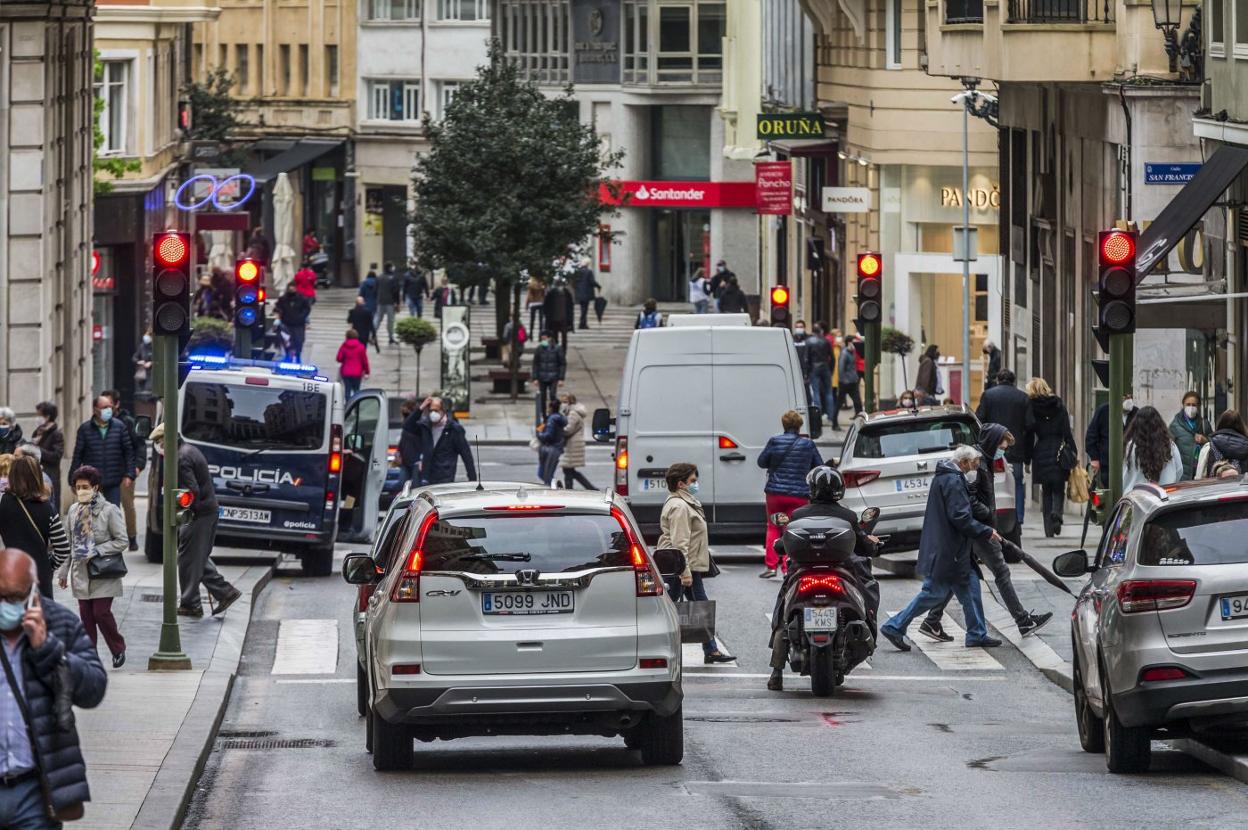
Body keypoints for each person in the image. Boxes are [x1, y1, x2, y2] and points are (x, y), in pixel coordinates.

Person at [0, 546, 107, 828]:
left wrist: (48, 648)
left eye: (13, 597)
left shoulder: (60, 623)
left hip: (35, 793)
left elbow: (93, 690)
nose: (4, 604)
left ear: (32, 591)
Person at [917, 425, 1053, 643]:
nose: (1004, 452)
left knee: (960, 576)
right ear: (992, 443)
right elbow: (966, 498)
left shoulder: (985, 461)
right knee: (1001, 571)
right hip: (979, 530)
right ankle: (1022, 620)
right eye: (1002, 447)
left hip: (977, 528)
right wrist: (987, 514)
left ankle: (932, 619)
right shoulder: (976, 465)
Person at [766, 467, 880, 691]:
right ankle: (869, 622)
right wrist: (873, 545)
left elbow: (783, 545)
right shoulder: (847, 516)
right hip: (840, 570)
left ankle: (776, 671)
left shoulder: (799, 515)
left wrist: (779, 545)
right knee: (867, 589)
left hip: (802, 570)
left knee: (782, 612)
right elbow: (864, 546)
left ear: (812, 488)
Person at [880, 446, 1002, 651]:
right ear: (963, 462)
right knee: (933, 593)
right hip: (950, 550)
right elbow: (960, 517)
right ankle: (895, 625)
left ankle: (976, 633)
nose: (974, 468)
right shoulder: (953, 480)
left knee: (970, 586)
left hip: (951, 549)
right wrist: (985, 530)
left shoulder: (947, 477)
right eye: (973, 464)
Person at [148, 424, 242, 618]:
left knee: (188, 558)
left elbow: (192, 491)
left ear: (167, 440)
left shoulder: (181, 457)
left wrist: (181, 505)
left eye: (159, 442)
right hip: (205, 511)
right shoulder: (188, 450)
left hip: (199, 514)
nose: (158, 447)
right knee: (194, 556)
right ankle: (223, 592)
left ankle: (193, 603)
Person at [657, 463, 734, 664]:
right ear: (681, 484)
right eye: (692, 481)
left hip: (688, 565)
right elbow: (679, 542)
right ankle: (657, 647)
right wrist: (685, 571)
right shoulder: (680, 507)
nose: (696, 484)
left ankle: (711, 649)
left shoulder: (686, 502)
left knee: (699, 604)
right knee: (669, 607)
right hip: (680, 566)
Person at [58, 466, 127, 668]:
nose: (81, 490)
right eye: (77, 487)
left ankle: (117, 648)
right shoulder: (73, 510)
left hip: (103, 571)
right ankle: (90, 657)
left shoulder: (109, 510)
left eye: (85, 486)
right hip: (80, 574)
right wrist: (63, 572)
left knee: (101, 613)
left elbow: (122, 541)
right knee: (86, 618)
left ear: (95, 487)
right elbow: (68, 544)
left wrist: (97, 550)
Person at [756, 410, 824, 579]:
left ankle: (771, 567)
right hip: (799, 494)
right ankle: (788, 565)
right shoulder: (808, 444)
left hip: (775, 493)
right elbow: (819, 466)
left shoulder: (774, 441)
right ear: (800, 425)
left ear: (784, 424)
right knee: (793, 528)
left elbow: (761, 462)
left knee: (773, 526)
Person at [0, 457, 69, 598]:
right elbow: (63, 548)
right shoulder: (47, 508)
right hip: (39, 574)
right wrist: (48, 566)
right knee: (39, 615)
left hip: (12, 571)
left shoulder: (3, 503)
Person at [975, 369, 1034, 527]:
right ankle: (1018, 517)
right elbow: (1030, 425)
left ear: (997, 380)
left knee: (993, 482)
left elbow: (980, 420)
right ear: (1014, 381)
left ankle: (994, 511)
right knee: (1017, 483)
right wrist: (1027, 454)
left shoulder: (988, 395)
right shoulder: (1023, 398)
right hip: (1016, 448)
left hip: (993, 447)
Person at [1025, 377, 1077, 538]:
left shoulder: (1031, 407)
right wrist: (1073, 453)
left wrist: (1027, 459)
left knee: (1046, 490)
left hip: (1040, 450)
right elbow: (1067, 432)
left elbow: (1028, 432)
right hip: (1058, 451)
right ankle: (1057, 514)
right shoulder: (1058, 404)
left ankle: (1048, 528)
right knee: (1058, 488)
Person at [68, 395, 136, 508]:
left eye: (110, 407)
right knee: (91, 515)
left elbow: (128, 452)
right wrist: (72, 479)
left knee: (113, 514)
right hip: (92, 482)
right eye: (105, 407)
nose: (109, 410)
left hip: (114, 481)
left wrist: (129, 474)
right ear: (95, 409)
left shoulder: (119, 427)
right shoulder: (85, 429)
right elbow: (78, 455)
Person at [102, 390, 144, 551]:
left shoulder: (128, 422)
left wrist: (137, 466)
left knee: (127, 504)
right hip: (106, 472)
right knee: (108, 507)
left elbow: (139, 445)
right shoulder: (100, 423)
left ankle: (131, 537)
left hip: (125, 471)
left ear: (117, 404)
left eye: (109, 405)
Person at [413, 397, 477, 485]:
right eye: (431, 411)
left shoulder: (454, 429)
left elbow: (467, 456)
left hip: (444, 479)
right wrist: (421, 408)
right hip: (426, 478)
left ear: (443, 411)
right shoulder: (425, 426)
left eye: (436, 410)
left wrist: (473, 481)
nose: (433, 413)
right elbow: (407, 427)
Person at [1122, 405, 1184, 491]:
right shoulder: (1169, 446)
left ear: (1136, 424)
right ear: (1159, 424)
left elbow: (1123, 476)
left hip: (1134, 498)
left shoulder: (1129, 447)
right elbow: (1179, 470)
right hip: (1165, 497)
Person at [1086, 392, 1139, 488]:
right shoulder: (1103, 411)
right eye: (1125, 396)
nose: (1128, 399)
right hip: (1107, 466)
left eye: (1130, 396)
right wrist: (1094, 458)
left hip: (1130, 467)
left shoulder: (1136, 413)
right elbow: (1091, 436)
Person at [1169, 391, 1212, 481]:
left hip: (1200, 474)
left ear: (1198, 406)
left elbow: (1214, 443)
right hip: (1182, 477)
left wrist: (1206, 440)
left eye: (1194, 405)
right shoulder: (1175, 425)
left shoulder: (1204, 424)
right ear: (1183, 405)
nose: (1191, 407)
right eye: (1188, 404)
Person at [1195, 409, 1248, 478]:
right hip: (1241, 488)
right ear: (1241, 426)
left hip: (1213, 487)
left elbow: (1199, 475)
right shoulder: (1246, 447)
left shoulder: (1209, 447)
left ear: (1220, 424)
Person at [30, 403, 64, 508]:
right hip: (37, 474)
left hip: (50, 475)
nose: (37, 418)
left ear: (47, 416)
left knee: (51, 506)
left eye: (39, 415)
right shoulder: (37, 432)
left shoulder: (56, 434)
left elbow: (56, 456)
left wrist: (38, 450)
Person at [559, 393, 594, 490]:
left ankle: (573, 489)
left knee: (567, 469)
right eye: (562, 402)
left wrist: (558, 430)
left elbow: (568, 430)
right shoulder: (570, 411)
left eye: (565, 402)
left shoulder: (572, 413)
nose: (563, 404)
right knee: (569, 470)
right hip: (573, 443)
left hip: (573, 444)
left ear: (570, 402)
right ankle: (587, 488)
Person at [531, 331, 566, 425]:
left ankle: (554, 413)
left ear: (550, 338)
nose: (543, 340)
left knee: (552, 395)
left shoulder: (557, 349)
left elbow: (562, 363)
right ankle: (544, 416)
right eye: (542, 339)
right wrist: (535, 378)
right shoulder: (539, 349)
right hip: (542, 377)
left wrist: (561, 378)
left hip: (554, 376)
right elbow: (535, 364)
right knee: (542, 397)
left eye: (544, 338)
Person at [274, 283, 312, 362]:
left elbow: (307, 309)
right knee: (286, 341)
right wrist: (279, 316)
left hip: (298, 324)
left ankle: (298, 356)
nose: (291, 290)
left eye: (293, 288)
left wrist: (301, 317)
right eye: (290, 288)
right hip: (286, 324)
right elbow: (277, 308)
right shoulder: (283, 299)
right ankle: (288, 355)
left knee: (299, 341)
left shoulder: (302, 299)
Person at [806, 322, 835, 421]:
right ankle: (831, 416)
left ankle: (818, 416)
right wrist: (831, 370)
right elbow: (832, 357)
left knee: (816, 392)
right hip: (825, 367)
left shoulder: (809, 341)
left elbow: (807, 358)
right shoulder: (826, 341)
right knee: (829, 392)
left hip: (814, 368)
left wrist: (807, 372)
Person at [535, 400, 567, 486]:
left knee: (545, 475)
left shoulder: (552, 419)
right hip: (556, 449)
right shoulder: (559, 418)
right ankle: (554, 486)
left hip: (550, 450)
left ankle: (555, 488)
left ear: (551, 408)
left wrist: (539, 434)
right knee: (546, 474)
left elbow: (549, 435)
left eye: (549, 407)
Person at [336, 328, 370, 399]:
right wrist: (367, 372)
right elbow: (365, 361)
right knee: (356, 390)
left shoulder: (344, 346)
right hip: (357, 372)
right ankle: (356, 405)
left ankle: (348, 405)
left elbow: (339, 358)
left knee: (347, 390)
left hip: (346, 372)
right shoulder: (361, 347)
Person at [543, 277, 575, 349]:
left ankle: (558, 350)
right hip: (559, 318)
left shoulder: (554, 293)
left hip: (559, 318)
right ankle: (559, 351)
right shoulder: (553, 293)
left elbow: (545, 306)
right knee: (559, 336)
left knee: (558, 336)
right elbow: (570, 307)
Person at [836, 338, 862, 426]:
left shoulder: (852, 352)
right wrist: (842, 381)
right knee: (839, 403)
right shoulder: (844, 354)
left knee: (857, 401)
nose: (855, 345)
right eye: (853, 343)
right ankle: (834, 423)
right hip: (845, 382)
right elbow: (841, 369)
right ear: (849, 343)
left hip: (853, 381)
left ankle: (860, 420)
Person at [375, 262, 401, 345]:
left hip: (380, 301)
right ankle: (391, 337)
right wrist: (397, 303)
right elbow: (396, 291)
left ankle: (372, 335)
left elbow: (375, 289)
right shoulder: (394, 278)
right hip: (390, 302)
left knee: (378, 318)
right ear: (390, 268)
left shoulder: (379, 277)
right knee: (391, 320)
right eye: (392, 267)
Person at [572, 259, 600, 330]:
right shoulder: (589, 272)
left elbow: (574, 282)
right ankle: (582, 324)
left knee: (583, 309)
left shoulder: (578, 272)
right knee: (584, 309)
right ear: (587, 264)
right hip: (586, 294)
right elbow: (592, 281)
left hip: (579, 293)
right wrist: (598, 286)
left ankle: (583, 323)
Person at [132, 329, 154, 396]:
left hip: (153, 374)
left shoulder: (155, 346)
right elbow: (134, 357)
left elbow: (160, 359)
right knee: (143, 392)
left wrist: (151, 363)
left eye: (148, 336)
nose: (146, 338)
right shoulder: (142, 346)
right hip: (143, 374)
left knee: (150, 391)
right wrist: (139, 361)